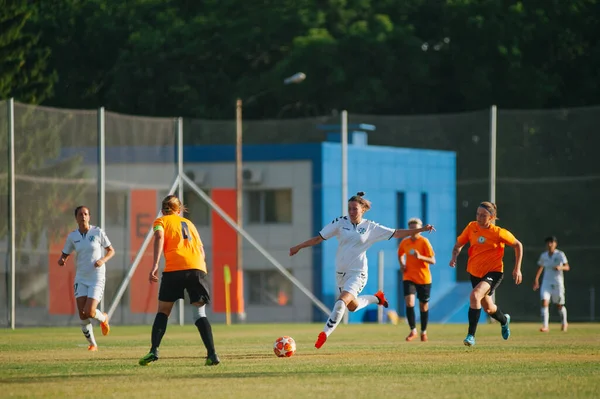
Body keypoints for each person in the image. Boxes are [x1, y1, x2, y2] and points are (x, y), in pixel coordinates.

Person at [289, 192, 435, 349]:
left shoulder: (371, 227)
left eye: (355, 209)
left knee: (340, 303)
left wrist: (420, 230)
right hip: (341, 274)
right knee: (352, 306)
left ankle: (324, 334)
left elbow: (397, 233)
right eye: (349, 209)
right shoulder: (340, 222)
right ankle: (377, 298)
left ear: (363, 209)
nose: (351, 212)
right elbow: (319, 238)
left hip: (358, 273)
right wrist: (298, 247)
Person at [138, 195, 220, 366]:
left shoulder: (160, 221)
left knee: (163, 311)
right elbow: (201, 251)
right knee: (199, 313)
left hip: (174, 269)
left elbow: (159, 238)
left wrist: (154, 264)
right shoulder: (189, 224)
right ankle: (212, 354)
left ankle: (154, 350)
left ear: (163, 209)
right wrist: (199, 269)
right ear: (179, 209)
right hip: (197, 267)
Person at [449, 201, 523, 347]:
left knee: (475, 296)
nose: (479, 217)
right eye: (477, 214)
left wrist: (517, 268)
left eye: (483, 215)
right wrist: (454, 256)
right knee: (488, 308)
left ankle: (471, 336)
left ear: (492, 217)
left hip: (494, 272)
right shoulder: (472, 227)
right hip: (475, 273)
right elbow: (459, 244)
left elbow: (517, 245)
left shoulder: (498, 232)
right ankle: (504, 320)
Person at [58, 205, 115, 352]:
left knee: (89, 311)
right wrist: (62, 259)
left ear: (89, 217)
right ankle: (93, 344)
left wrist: (102, 260)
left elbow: (111, 250)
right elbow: (65, 253)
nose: (83, 216)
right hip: (81, 277)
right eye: (80, 214)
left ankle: (103, 318)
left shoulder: (97, 232)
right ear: (76, 218)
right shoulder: (72, 236)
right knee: (82, 314)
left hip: (96, 276)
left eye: (86, 214)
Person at [397, 217, 436, 342]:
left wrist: (420, 257)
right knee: (409, 302)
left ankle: (423, 332)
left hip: (424, 278)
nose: (413, 231)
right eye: (411, 228)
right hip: (409, 276)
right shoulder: (405, 242)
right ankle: (413, 330)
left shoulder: (424, 242)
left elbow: (433, 260)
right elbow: (400, 254)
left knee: (423, 306)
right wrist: (402, 264)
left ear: (420, 229)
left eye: (416, 228)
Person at [533, 236, 570, 332]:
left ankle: (564, 322)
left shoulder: (560, 254)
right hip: (546, 282)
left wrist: (560, 268)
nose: (550, 244)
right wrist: (536, 279)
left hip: (557, 283)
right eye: (548, 243)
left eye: (551, 242)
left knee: (559, 305)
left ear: (555, 244)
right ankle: (545, 326)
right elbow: (540, 267)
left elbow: (567, 267)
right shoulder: (544, 255)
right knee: (544, 302)